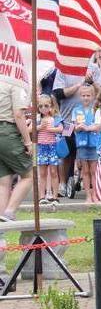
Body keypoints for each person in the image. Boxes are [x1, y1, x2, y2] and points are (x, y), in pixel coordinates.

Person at [0, 77, 33, 221]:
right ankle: (9, 211)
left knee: (4, 182)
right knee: (29, 176)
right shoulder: (15, 83)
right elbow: (18, 114)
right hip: (7, 132)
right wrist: (28, 141)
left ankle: (1, 228)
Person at [72, 82, 100, 203]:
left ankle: (95, 195)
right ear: (80, 97)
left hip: (94, 144)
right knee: (85, 171)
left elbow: (99, 125)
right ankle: (88, 195)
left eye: (88, 95)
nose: (86, 98)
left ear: (93, 96)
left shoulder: (97, 110)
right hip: (82, 144)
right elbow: (74, 127)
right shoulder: (76, 110)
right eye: (83, 95)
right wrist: (78, 127)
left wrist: (90, 127)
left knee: (94, 171)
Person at [35, 93, 63, 204]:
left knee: (53, 172)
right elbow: (29, 129)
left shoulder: (55, 117)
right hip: (41, 146)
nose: (43, 108)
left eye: (46, 106)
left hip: (52, 146)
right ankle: (42, 196)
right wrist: (39, 127)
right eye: (41, 106)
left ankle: (55, 196)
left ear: (51, 106)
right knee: (42, 173)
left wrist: (51, 129)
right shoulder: (37, 118)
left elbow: (61, 129)